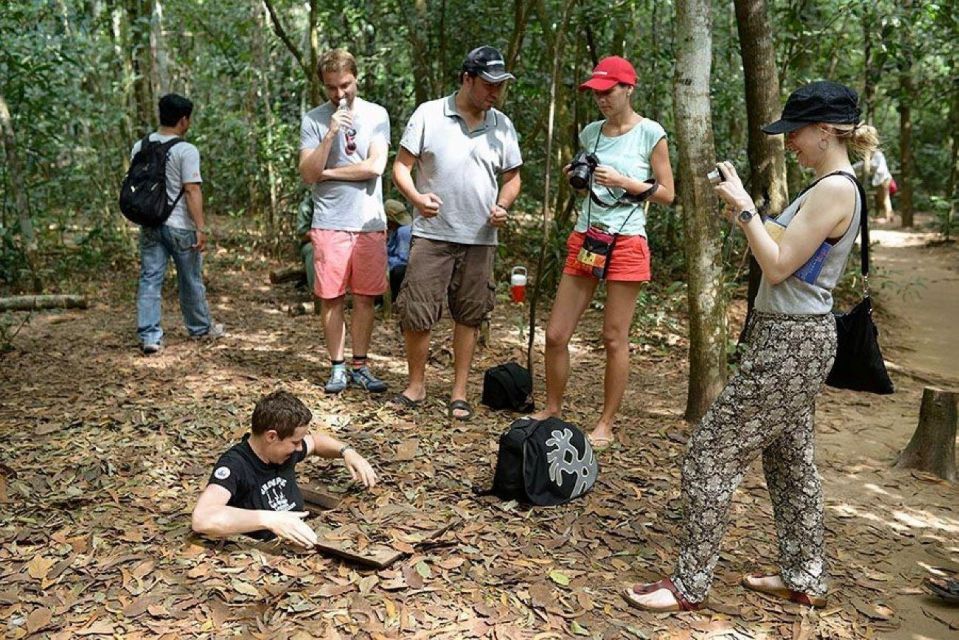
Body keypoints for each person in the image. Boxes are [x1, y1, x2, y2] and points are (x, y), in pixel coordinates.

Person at [624, 81, 877, 612]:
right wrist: (747, 211)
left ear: (826, 130)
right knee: (790, 463)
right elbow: (783, 250)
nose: (791, 143)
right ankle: (805, 577)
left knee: (710, 455)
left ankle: (688, 585)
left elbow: (780, 266)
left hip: (790, 342)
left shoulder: (834, 188)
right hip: (791, 337)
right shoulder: (831, 185)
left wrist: (744, 209)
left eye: (797, 133)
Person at [530, 56, 674, 448]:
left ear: (629, 88)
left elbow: (667, 193)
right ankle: (553, 407)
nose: (602, 100)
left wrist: (625, 181)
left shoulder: (651, 133)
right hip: (587, 237)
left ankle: (606, 423)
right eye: (596, 93)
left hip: (627, 240)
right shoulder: (590, 133)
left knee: (614, 337)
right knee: (556, 334)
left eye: (608, 92)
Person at [392, 45, 523, 420]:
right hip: (433, 232)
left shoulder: (502, 125)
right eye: (488, 85)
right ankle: (416, 386)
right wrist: (416, 197)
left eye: (500, 86)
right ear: (467, 79)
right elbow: (401, 166)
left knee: (470, 313)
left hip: (480, 237)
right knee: (417, 310)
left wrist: (504, 205)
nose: (494, 93)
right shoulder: (429, 115)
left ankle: (459, 392)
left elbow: (513, 178)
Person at [299, 49, 391, 395]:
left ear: (356, 78)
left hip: (368, 221)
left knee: (366, 298)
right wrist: (330, 135)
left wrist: (329, 173)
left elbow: (374, 166)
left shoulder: (376, 114)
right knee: (331, 297)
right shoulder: (313, 119)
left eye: (345, 85)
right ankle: (337, 367)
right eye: (331, 88)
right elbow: (308, 174)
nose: (339, 94)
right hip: (329, 221)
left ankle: (361, 365)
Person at [191, 390, 378, 548]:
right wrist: (270, 520)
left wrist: (347, 451)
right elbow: (203, 518)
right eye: (295, 442)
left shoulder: (284, 451)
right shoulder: (235, 465)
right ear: (271, 436)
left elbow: (315, 442)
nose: (299, 447)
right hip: (265, 548)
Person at [134, 93, 224, 354]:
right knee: (190, 279)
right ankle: (200, 328)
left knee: (150, 278)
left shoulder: (140, 146)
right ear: (184, 120)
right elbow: (192, 190)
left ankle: (150, 336)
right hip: (181, 226)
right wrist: (201, 227)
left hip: (150, 223)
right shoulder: (186, 150)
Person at [854, 148, 894, 222]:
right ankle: (889, 215)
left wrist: (863, 164)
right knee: (883, 198)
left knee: (885, 198)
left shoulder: (877, 154)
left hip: (883, 178)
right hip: (882, 179)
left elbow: (873, 165)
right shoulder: (876, 155)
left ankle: (888, 217)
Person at [385, 199, 412, 301]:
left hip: (403, 269)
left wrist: (385, 263)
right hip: (393, 264)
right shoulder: (392, 230)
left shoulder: (403, 231)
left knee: (398, 271)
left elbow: (403, 258)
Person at [294, 191, 316, 293]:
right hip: (310, 243)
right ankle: (315, 292)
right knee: (313, 251)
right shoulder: (306, 206)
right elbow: (302, 234)